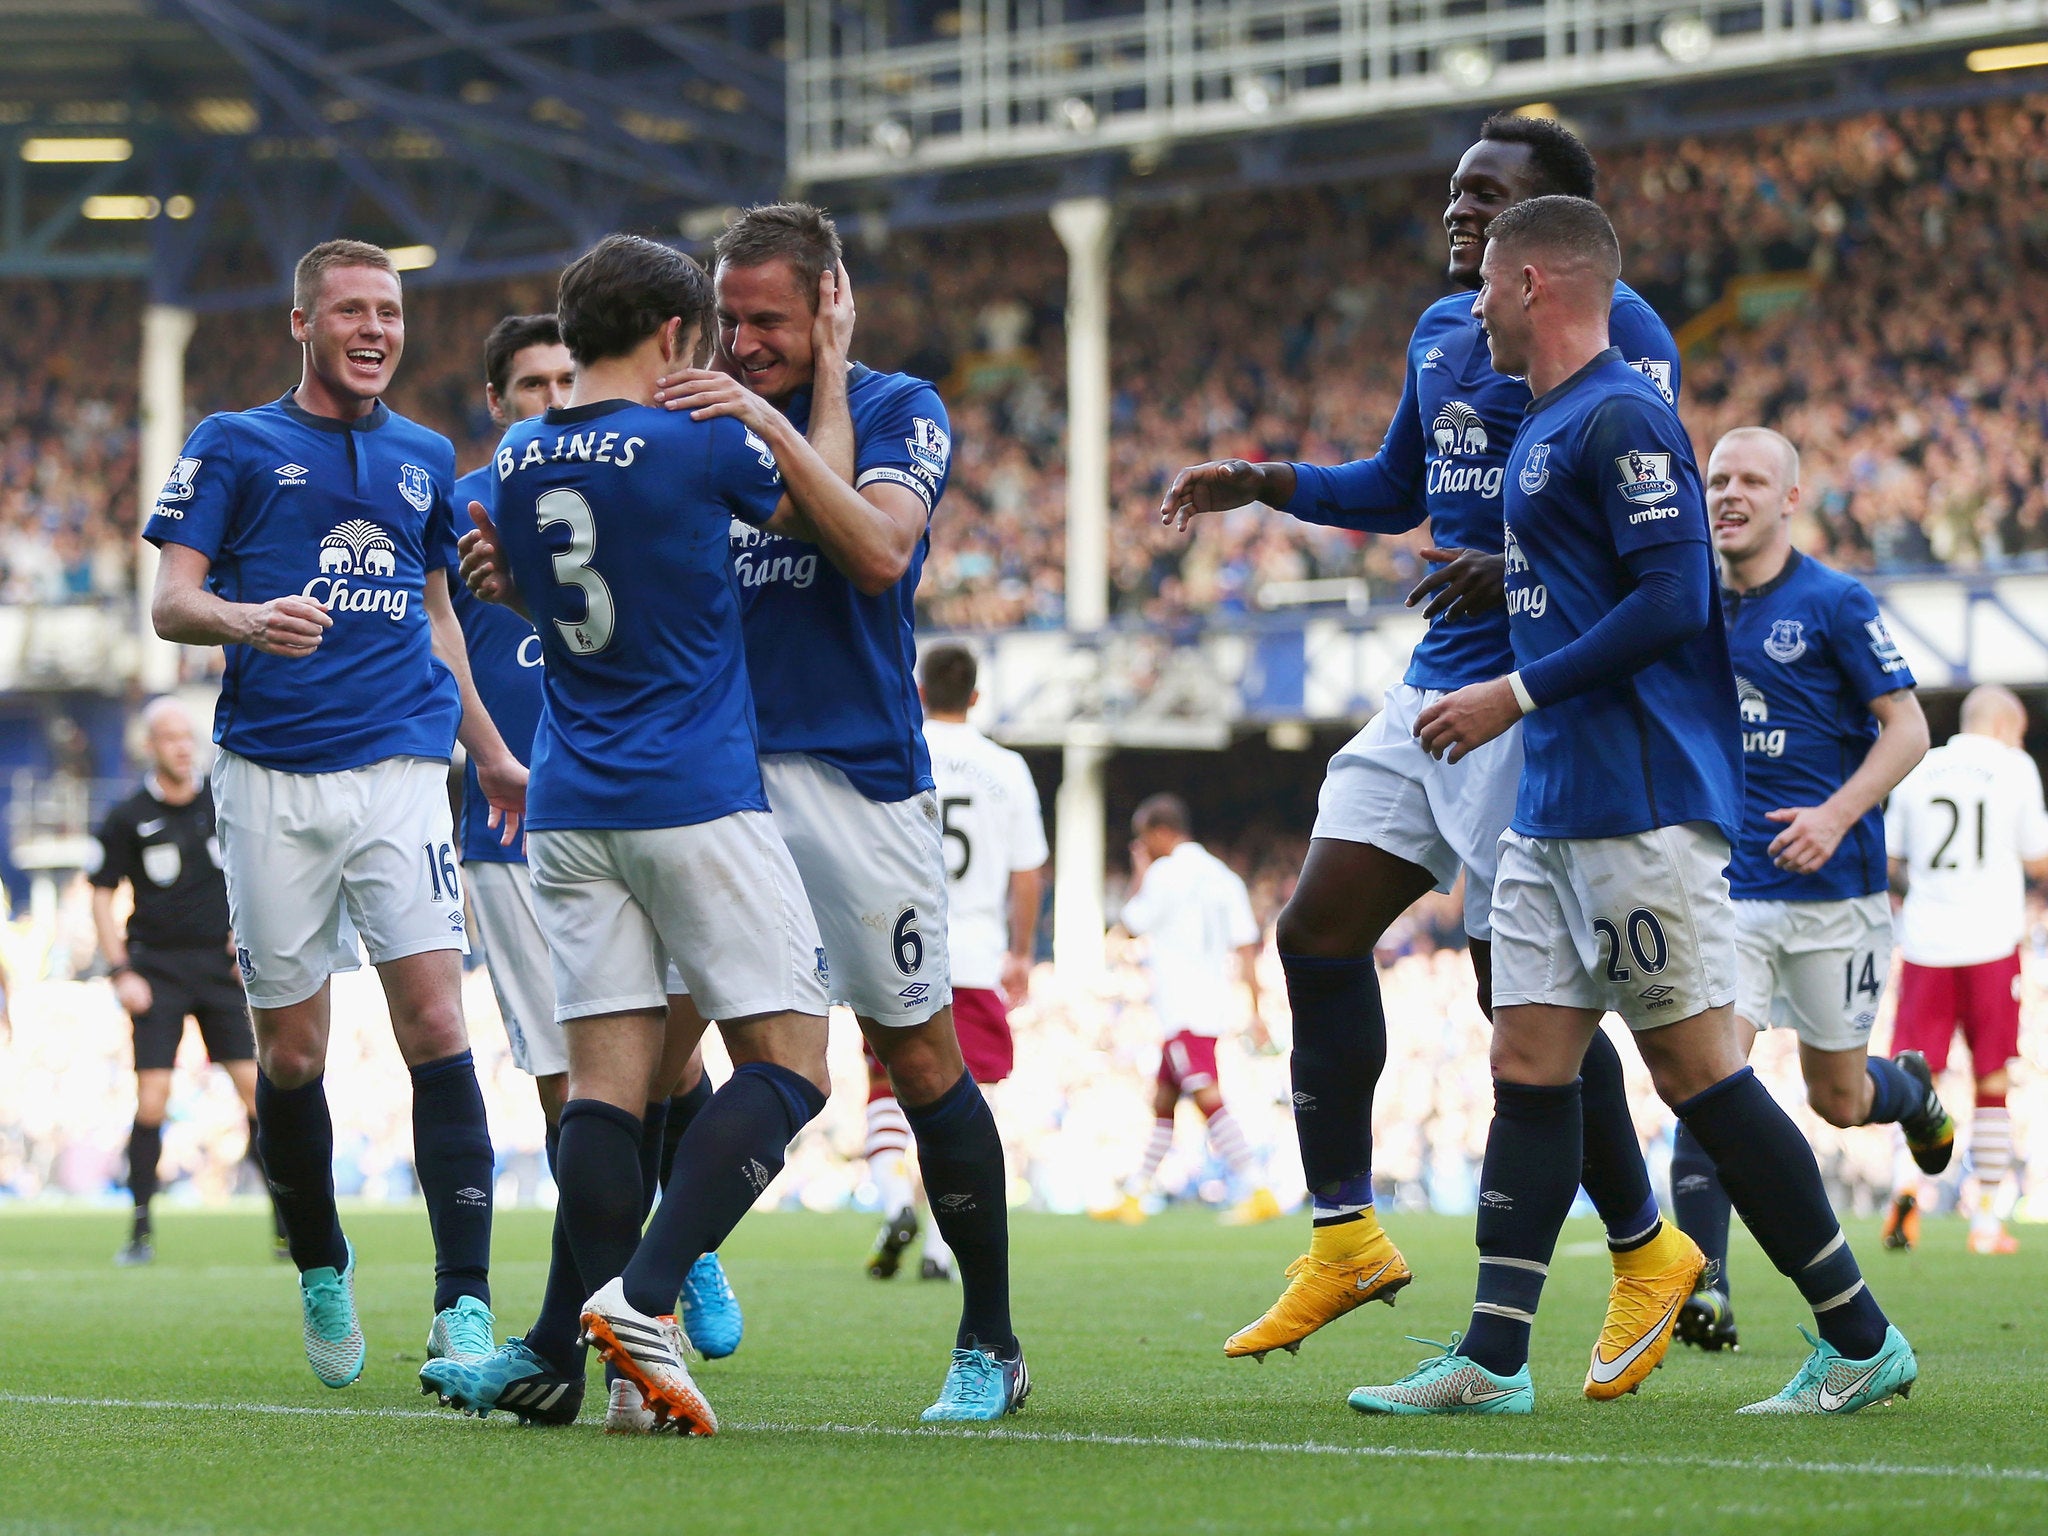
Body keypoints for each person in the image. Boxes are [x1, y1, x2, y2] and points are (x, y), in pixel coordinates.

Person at [1348, 196, 1915, 1417]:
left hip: (1638, 801)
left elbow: (1670, 600)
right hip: (1553, 803)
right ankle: (1494, 1358)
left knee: (1698, 1073)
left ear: (1539, 284)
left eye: (1489, 286)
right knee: (1526, 1062)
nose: (1471, 307)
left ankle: (1858, 1336)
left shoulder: (1623, 415)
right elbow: (1581, 579)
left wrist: (1510, 690)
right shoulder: (1545, 422)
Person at [1158, 114, 1683, 1375]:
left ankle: (1643, 1246)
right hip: (1424, 694)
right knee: (1315, 928)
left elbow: (1636, 531)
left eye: (1485, 194)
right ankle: (1344, 1239)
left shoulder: (1629, 338)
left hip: (1522, 698)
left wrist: (1506, 571)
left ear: (1542, 227)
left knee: (1524, 1004)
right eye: (1453, 189)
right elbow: (1399, 487)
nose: (1456, 209)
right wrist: (1268, 480)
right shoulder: (1443, 330)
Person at [433, 234, 831, 1437]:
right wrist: (795, 412)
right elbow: (825, 524)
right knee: (792, 1066)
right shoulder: (697, 436)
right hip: (693, 793)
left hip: (566, 805)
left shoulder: (513, 459)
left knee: (601, 1098)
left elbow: (512, 584)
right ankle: (646, 1298)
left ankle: (589, 1372)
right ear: (675, 337)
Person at [643, 203, 1025, 1421]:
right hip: (722, 781)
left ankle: (988, 1343)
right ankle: (650, 1296)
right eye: (729, 320)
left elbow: (871, 549)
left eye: (768, 320)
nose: (742, 342)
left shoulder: (903, 409)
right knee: (655, 1052)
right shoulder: (694, 420)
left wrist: (766, 418)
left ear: (829, 306)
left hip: (859, 782)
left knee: (917, 1059)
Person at [145, 238, 525, 1389]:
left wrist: (494, 755)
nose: (375, 329)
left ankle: (463, 1302)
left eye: (391, 313)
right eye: (352, 310)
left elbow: (441, 622)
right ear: (302, 323)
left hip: (405, 773)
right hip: (268, 779)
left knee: (438, 1027)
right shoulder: (234, 442)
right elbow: (171, 603)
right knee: (293, 1054)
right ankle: (320, 1259)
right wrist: (248, 620)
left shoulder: (424, 456)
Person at [444, 314, 743, 1384]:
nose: (548, 396)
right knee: (569, 1084)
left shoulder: (639, 474)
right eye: (529, 383)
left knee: (669, 1053)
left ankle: (671, 1253)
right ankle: (600, 1334)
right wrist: (485, 755)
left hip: (643, 796)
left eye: (564, 377)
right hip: (514, 825)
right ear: (497, 400)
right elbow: (442, 639)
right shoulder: (479, 500)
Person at [1670, 427, 1946, 1352]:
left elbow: (1907, 730)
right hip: (1726, 886)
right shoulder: (1685, 602)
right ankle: (1703, 1292)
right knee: (1709, 1076)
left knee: (1839, 1100)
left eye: (1752, 480)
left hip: (1837, 892)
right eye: (1717, 479)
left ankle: (1909, 1093)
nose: (1730, 494)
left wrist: (1834, 813)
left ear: (1790, 499)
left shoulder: (1833, 601)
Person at [865, 641, 1046, 1282]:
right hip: (974, 954)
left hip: (897, 944)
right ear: (975, 697)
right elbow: (1027, 870)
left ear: (918, 693)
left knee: (885, 1088)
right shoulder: (1007, 768)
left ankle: (893, 1203)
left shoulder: (896, 751)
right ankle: (944, 1249)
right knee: (969, 1101)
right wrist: (1021, 951)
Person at [87, 697, 285, 1266]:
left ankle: (285, 1225)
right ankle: (140, 1230)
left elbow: (260, 866)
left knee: (259, 1094)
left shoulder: (222, 802)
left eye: (187, 736)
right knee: (153, 1099)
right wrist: (120, 968)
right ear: (149, 746)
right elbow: (102, 893)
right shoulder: (127, 816)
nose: (181, 745)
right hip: (156, 970)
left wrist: (248, 933)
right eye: (169, 737)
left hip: (220, 969)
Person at [1883, 684, 2048, 1256]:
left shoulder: (1917, 765)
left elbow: (1891, 860)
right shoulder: (2015, 767)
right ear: (2006, 727)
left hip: (1927, 941)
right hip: (1991, 941)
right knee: (1993, 1080)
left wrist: (1929, 892)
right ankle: (1984, 1220)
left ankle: (1905, 1190)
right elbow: (2037, 856)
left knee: (1916, 1073)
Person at [1091, 795, 1275, 1225]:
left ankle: (1258, 1184)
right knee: (1163, 1098)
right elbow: (1245, 945)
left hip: (1180, 1004)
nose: (1141, 847)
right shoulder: (1222, 876)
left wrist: (1140, 873)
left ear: (1160, 832)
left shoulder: (1165, 873)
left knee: (1203, 1089)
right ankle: (1136, 1194)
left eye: (1143, 839)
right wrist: (1255, 1008)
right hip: (1211, 1001)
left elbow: (1132, 925)